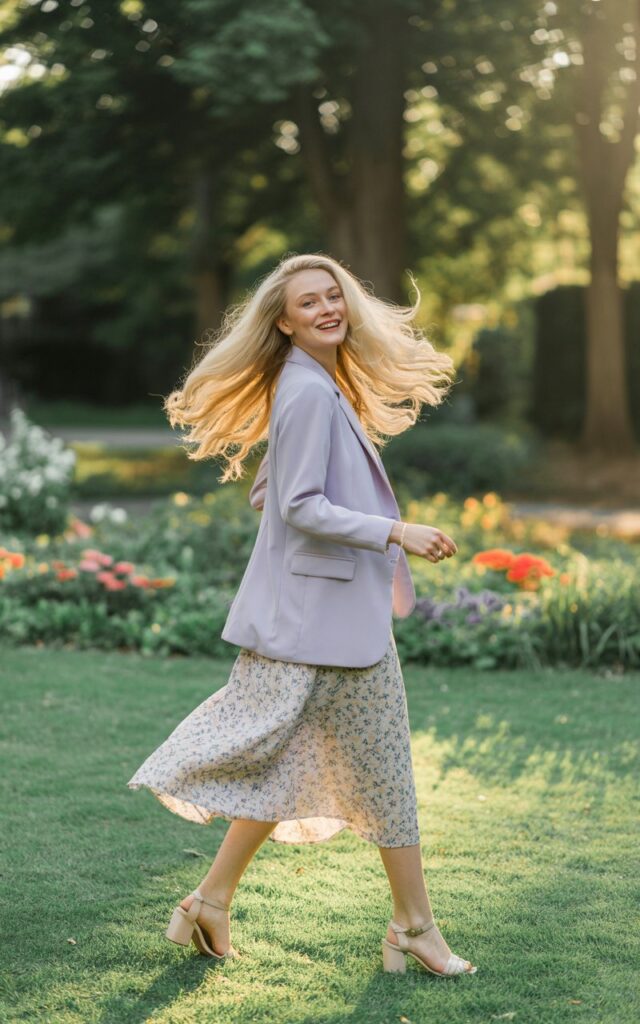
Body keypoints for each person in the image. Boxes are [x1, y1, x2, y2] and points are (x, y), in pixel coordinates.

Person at [127, 253, 478, 978]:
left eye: (332, 296)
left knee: (290, 764)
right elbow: (297, 505)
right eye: (308, 303)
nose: (326, 309)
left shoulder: (312, 381)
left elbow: (272, 493)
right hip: (326, 626)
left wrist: (306, 495)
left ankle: (211, 901)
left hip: (320, 620)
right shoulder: (309, 390)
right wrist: (396, 531)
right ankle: (413, 927)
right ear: (284, 322)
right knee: (382, 771)